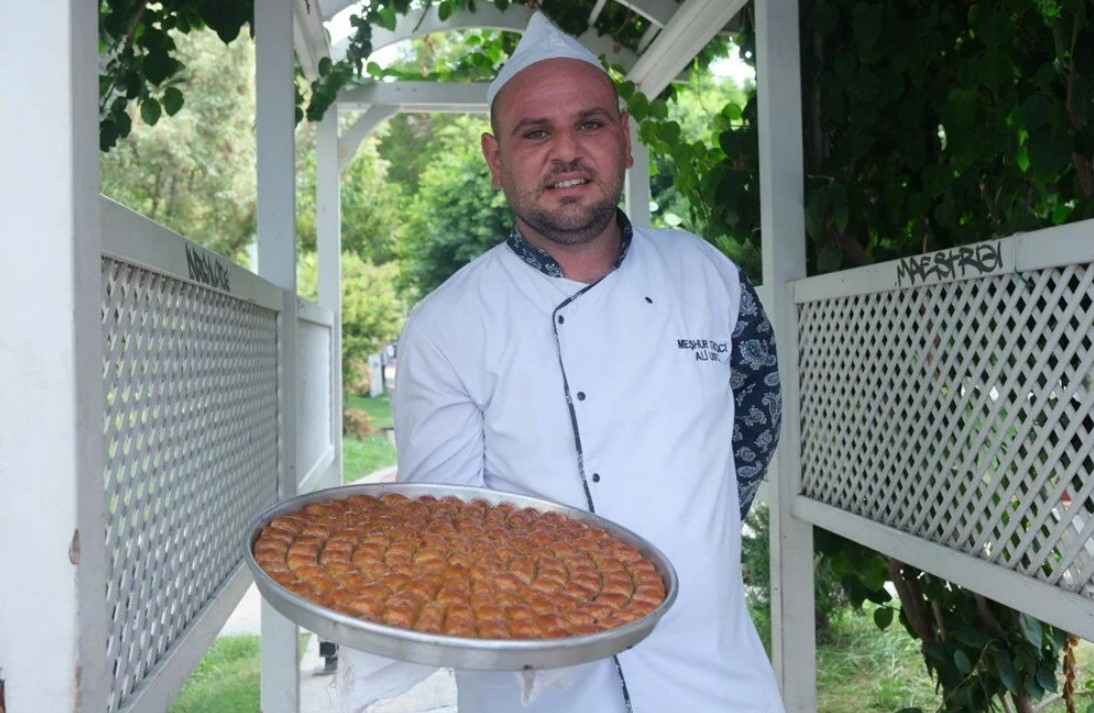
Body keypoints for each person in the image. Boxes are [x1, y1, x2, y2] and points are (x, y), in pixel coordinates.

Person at [340, 11, 784, 712]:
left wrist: (691, 530)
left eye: (591, 124)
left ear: (626, 141)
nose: (567, 152)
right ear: (494, 160)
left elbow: (754, 423)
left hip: (711, 674)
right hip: (537, 688)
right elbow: (449, 528)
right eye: (536, 132)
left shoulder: (709, 276)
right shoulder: (448, 324)